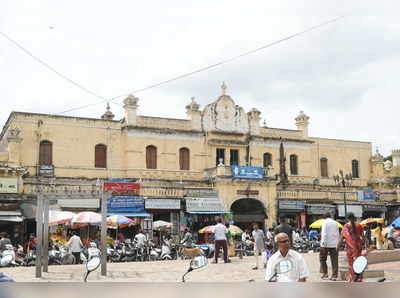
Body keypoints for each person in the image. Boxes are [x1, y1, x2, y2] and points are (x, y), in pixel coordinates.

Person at [337, 212, 366, 282]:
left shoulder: (346, 226)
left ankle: (353, 277)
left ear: (348, 218)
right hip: (358, 247)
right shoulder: (359, 225)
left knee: (351, 263)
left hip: (350, 247)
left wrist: (337, 246)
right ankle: (359, 277)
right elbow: (363, 237)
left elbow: (341, 238)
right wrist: (364, 244)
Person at [319, 212, 339, 281]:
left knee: (322, 259)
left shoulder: (325, 223)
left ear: (325, 217)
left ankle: (325, 273)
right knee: (334, 260)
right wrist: (337, 244)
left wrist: (323, 245)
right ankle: (334, 276)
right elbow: (337, 234)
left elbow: (324, 234)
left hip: (326, 244)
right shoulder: (335, 223)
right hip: (334, 244)